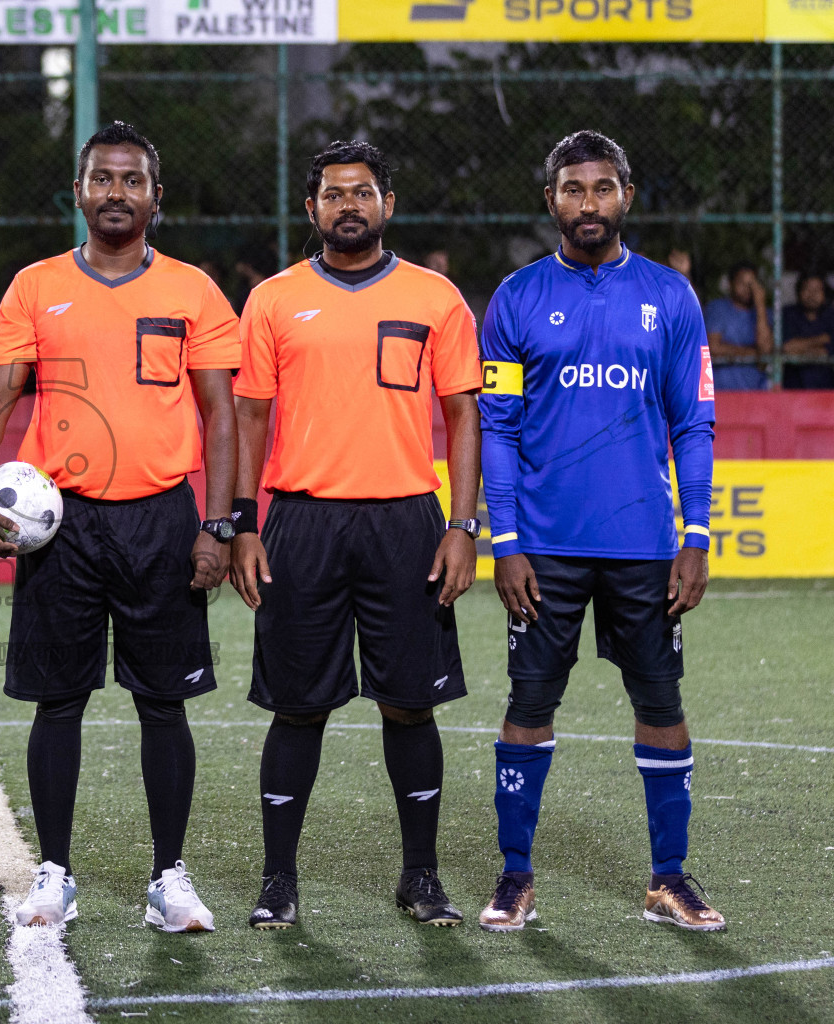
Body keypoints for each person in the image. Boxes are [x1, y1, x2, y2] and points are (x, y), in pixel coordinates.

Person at [0, 121, 239, 933]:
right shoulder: (35, 286)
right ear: (78, 191)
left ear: (156, 196)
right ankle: (54, 872)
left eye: (132, 180)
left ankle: (169, 878)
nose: (117, 192)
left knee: (164, 704)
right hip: (60, 528)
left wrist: (218, 524)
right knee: (58, 703)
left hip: (161, 518)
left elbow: (222, 413)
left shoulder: (195, 291)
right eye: (102, 179)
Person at [230, 140, 482, 931]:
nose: (349, 205)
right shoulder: (272, 300)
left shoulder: (437, 298)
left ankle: (421, 876)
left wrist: (462, 525)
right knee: (298, 707)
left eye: (363, 193)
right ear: (312, 209)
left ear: (388, 205)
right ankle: (278, 880)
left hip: (407, 518)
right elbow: (248, 417)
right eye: (334, 195)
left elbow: (464, 415)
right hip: (301, 518)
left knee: (410, 706)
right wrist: (243, 523)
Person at [477, 130, 723, 933]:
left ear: (626, 196)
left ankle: (669, 877)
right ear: (550, 199)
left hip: (646, 543)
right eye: (574, 189)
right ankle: (516, 875)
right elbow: (499, 428)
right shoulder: (514, 298)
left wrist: (698, 535)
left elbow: (694, 424)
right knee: (529, 703)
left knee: (661, 702)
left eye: (604, 188)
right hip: (544, 548)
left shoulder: (672, 296)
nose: (590, 203)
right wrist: (505, 543)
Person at [703, 262, 772, 390]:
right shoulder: (718, 308)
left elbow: (766, 353)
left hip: (755, 394)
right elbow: (713, 347)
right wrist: (753, 353)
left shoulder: (765, 314)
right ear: (730, 284)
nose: (747, 288)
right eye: (742, 283)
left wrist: (760, 304)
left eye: (752, 284)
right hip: (720, 394)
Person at [781, 272, 834, 390]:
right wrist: (821, 339)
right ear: (799, 292)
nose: (812, 295)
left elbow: (827, 351)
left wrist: (799, 349)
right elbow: (787, 348)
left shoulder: (831, 316)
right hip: (792, 391)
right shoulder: (788, 314)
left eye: (817, 290)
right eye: (807, 289)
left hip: (826, 392)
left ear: (824, 293)